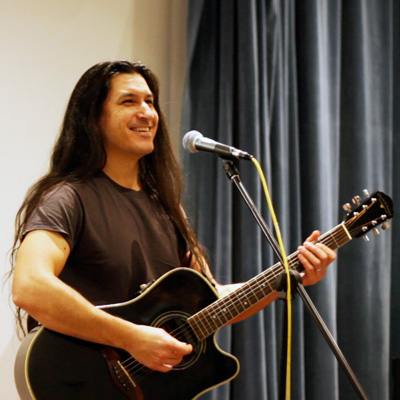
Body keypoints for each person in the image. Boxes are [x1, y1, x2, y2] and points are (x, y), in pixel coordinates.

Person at [10, 61, 336, 393]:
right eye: (129, 101)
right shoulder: (67, 198)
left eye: (150, 102)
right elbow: (30, 287)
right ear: (94, 119)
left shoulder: (166, 208)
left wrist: (287, 278)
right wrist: (131, 338)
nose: (147, 113)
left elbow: (213, 300)